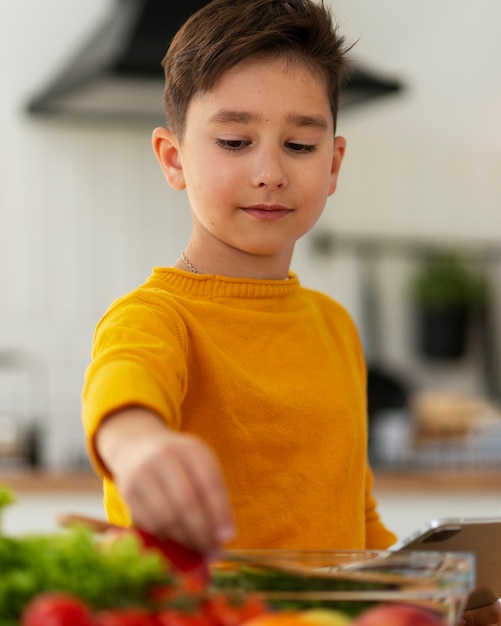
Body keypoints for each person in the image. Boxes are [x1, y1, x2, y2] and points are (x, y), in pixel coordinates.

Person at [82, 1, 500, 624]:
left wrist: (428, 601)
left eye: (300, 144)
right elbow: (121, 402)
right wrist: (139, 447)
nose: (270, 171)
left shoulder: (334, 326)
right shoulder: (154, 318)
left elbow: (355, 523)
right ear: (173, 158)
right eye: (233, 141)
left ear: (332, 163)